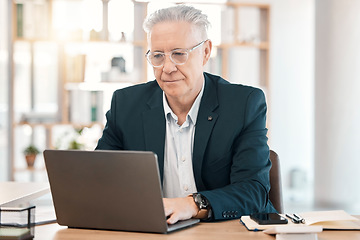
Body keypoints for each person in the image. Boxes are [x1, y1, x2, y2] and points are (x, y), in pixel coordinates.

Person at [96, 4, 276, 224]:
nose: (168, 67)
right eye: (158, 56)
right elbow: (101, 180)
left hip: (227, 231)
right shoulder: (125, 105)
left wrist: (193, 204)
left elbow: (253, 191)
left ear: (206, 52)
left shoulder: (243, 104)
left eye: (179, 54)